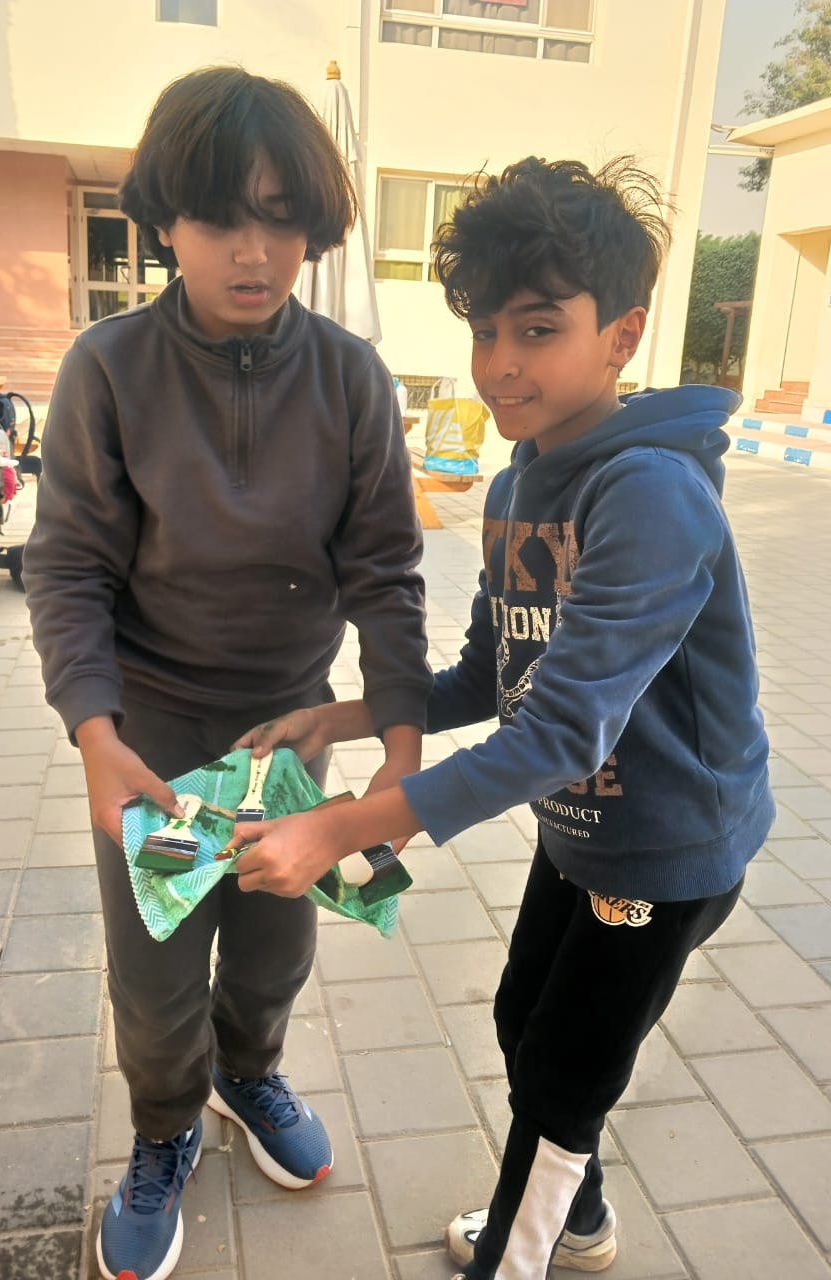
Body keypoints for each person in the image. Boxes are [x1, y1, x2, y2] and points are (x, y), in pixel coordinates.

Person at [227, 156, 774, 1279]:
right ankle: (576, 1217)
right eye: (485, 332)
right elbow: (493, 671)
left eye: (538, 329)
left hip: (664, 847)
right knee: (526, 1018)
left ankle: (519, 1256)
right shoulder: (522, 480)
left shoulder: (652, 494)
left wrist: (344, 827)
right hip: (580, 828)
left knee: (566, 1077)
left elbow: (561, 733)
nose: (501, 363)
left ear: (621, 336)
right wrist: (345, 715)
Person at [22, 66, 431, 1280]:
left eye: (281, 217)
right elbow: (68, 567)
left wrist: (399, 745)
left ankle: (248, 1074)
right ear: (164, 221)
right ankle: (163, 1128)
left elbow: (387, 572)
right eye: (219, 217)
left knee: (271, 949)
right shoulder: (107, 368)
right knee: (155, 974)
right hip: (150, 735)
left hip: (287, 738)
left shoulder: (352, 378)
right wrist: (96, 733)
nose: (254, 250)